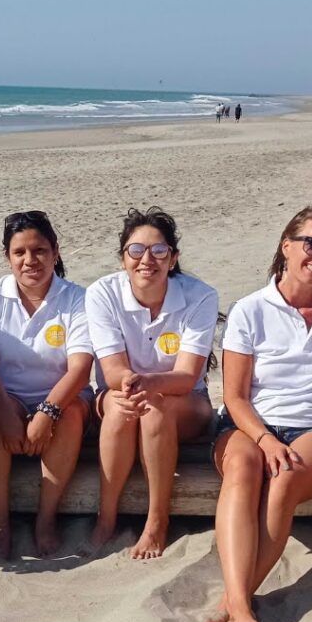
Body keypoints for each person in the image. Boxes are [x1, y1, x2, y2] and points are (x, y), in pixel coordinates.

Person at [197, 205, 312, 622]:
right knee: (245, 468)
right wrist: (266, 437)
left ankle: (236, 601)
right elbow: (234, 395)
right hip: (250, 422)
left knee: (285, 479)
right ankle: (242, 605)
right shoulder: (249, 310)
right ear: (287, 246)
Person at [86, 207, 218, 559]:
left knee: (155, 409)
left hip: (184, 401)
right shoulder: (102, 294)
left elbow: (188, 376)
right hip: (121, 393)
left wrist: (148, 383)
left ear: (173, 258)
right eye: (136, 251)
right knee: (119, 409)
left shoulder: (200, 296)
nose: (148, 260)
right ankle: (106, 516)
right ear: (122, 258)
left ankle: (157, 521)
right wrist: (132, 382)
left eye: (159, 251)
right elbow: (112, 370)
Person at [0, 211, 94, 557]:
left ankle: (46, 519)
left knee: (68, 417)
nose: (30, 260)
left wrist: (47, 413)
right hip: (5, 394)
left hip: (63, 397)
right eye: (19, 252)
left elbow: (80, 368)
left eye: (39, 250)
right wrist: (7, 415)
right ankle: (0, 523)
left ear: (55, 251)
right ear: (8, 257)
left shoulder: (76, 298)